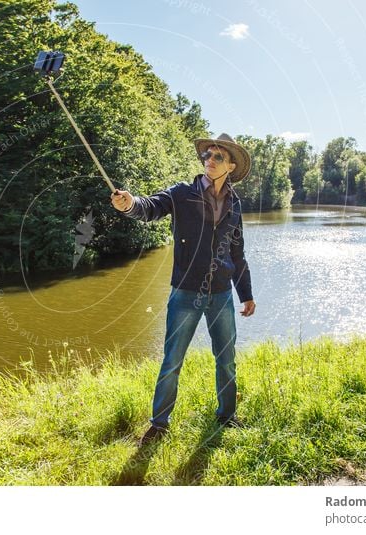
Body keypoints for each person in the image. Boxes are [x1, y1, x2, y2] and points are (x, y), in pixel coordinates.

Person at [110, 133, 256, 446]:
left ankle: (227, 416)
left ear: (230, 166)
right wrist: (129, 204)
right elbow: (149, 207)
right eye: (208, 155)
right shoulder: (182, 194)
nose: (210, 161)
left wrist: (245, 293)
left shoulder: (235, 204)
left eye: (218, 157)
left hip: (220, 295)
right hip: (185, 293)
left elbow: (237, 252)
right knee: (172, 360)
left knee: (226, 358)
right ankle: (159, 424)